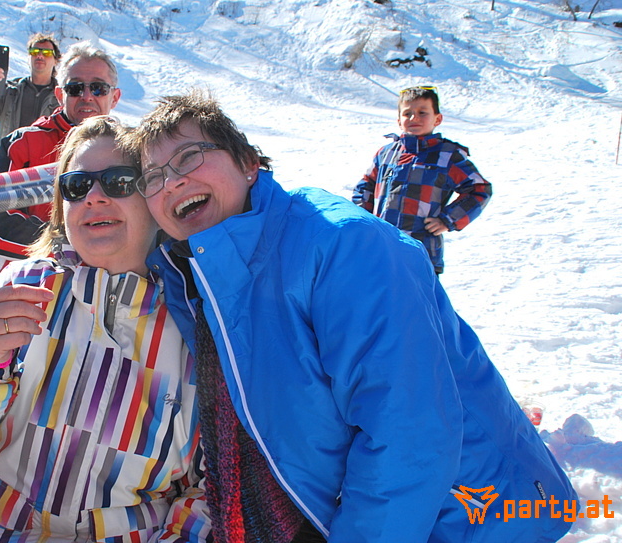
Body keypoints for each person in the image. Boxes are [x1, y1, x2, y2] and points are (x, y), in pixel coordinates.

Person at [119, 90, 575, 542]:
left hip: (470, 519)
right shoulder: (193, 275)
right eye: (153, 176)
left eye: (189, 156)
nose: (171, 182)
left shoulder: (342, 246)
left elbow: (408, 434)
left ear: (247, 162)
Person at [0, 116, 209, 542]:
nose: (94, 197)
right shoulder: (20, 288)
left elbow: (212, 486)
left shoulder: (197, 324)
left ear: (153, 196)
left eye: (118, 181)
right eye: (76, 185)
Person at [0, 41, 122, 267]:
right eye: (75, 88)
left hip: (106, 287)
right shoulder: (23, 143)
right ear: (59, 94)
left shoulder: (131, 151)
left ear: (114, 97)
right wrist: (68, 248)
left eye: (98, 88)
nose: (86, 96)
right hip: (33, 284)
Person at [352, 86, 492, 274]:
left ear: (437, 119)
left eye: (422, 112)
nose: (414, 118)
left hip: (421, 251)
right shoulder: (386, 153)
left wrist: (448, 220)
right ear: (399, 121)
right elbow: (366, 185)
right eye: (407, 113)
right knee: (378, 299)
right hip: (381, 248)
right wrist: (364, 219)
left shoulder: (448, 155)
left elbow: (480, 190)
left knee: (417, 301)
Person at [0, 33, 61, 139]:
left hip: (46, 155)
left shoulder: (63, 96)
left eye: (46, 53)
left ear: (56, 60)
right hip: (9, 154)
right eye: (34, 51)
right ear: (28, 57)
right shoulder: (10, 90)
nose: (40, 56)